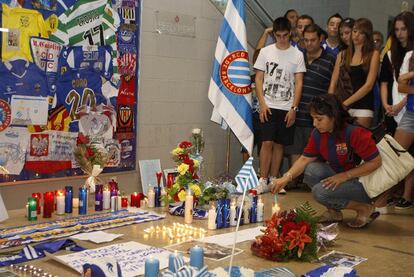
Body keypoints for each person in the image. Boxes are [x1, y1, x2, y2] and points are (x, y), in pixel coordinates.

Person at [270, 94, 382, 228]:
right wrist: (286, 177)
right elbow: (305, 158)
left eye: (319, 119)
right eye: (313, 119)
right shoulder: (318, 134)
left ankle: (363, 207)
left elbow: (376, 162)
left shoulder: (355, 132)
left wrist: (345, 176)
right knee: (311, 170)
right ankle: (334, 212)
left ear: (334, 116)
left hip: (364, 181)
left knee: (320, 192)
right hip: (343, 176)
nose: (314, 124)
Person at [254, 17, 306, 194]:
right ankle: (262, 179)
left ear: (290, 34)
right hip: (267, 104)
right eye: (278, 36)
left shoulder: (297, 54)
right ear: (274, 34)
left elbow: (299, 83)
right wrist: (261, 103)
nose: (282, 39)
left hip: (286, 106)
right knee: (266, 142)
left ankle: (274, 179)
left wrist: (294, 108)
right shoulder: (266, 52)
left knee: (279, 145)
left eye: (285, 35)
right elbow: (258, 78)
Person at [284, 24, 335, 184]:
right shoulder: (297, 56)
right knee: (295, 148)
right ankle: (294, 181)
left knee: (316, 152)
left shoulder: (330, 59)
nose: (309, 43)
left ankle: (310, 183)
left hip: (318, 115)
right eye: (306, 40)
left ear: (321, 39)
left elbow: (332, 88)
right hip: (297, 111)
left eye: (313, 40)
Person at [329, 18, 380, 128]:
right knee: (341, 143)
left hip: (363, 107)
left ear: (367, 35)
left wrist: (345, 104)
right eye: (355, 31)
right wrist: (330, 103)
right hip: (342, 106)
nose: (356, 35)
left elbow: (368, 86)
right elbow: (334, 81)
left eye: (361, 33)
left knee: (358, 143)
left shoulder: (373, 54)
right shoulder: (342, 54)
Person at [380, 12, 414, 135]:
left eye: (403, 29)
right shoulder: (389, 54)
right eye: (396, 29)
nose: (399, 33)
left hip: (409, 106)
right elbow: (384, 82)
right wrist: (385, 104)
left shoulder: (412, 54)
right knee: (393, 150)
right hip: (391, 107)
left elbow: (408, 85)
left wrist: (400, 105)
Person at [394, 50, 414, 209]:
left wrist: (406, 77)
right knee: (394, 155)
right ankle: (379, 199)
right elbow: (401, 86)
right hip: (411, 114)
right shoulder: (410, 55)